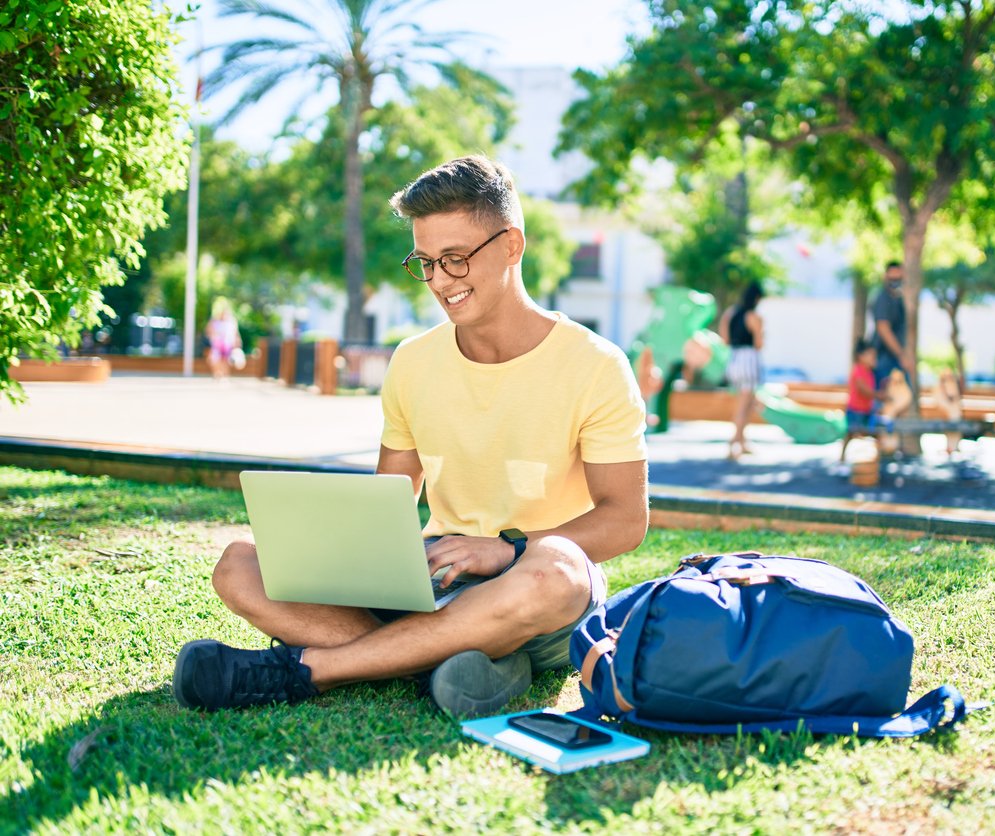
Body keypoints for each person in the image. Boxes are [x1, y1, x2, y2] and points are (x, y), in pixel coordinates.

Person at [172, 156, 650, 716]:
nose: (441, 281)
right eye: (426, 262)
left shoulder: (595, 365)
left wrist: (507, 547)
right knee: (238, 566)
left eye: (455, 258)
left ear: (512, 245)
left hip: (532, 585)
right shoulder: (413, 362)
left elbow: (625, 519)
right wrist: (348, 556)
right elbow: (390, 504)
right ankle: (465, 664)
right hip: (433, 579)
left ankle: (308, 670)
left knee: (559, 573)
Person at [718, 280, 765, 460]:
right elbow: (759, 344)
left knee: (745, 403)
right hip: (749, 360)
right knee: (744, 406)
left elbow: (725, 339)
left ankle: (742, 441)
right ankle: (734, 444)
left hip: (734, 358)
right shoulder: (753, 316)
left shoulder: (731, 313)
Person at [840, 337, 886, 462]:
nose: (874, 359)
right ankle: (842, 459)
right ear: (861, 356)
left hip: (866, 410)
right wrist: (878, 395)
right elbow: (863, 390)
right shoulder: (858, 370)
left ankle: (876, 460)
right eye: (871, 355)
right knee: (850, 434)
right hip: (855, 410)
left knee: (876, 433)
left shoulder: (870, 372)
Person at [870, 262, 912, 390]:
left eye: (898, 278)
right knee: (887, 400)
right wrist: (901, 355)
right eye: (892, 278)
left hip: (894, 358)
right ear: (885, 277)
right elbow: (883, 328)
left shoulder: (897, 298)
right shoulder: (883, 298)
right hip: (885, 357)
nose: (895, 281)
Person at [204, 297, 242, 381]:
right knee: (215, 360)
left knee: (226, 360)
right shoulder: (215, 322)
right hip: (217, 344)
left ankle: (225, 375)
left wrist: (237, 342)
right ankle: (217, 374)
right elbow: (208, 331)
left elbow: (235, 333)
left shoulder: (231, 322)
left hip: (227, 344)